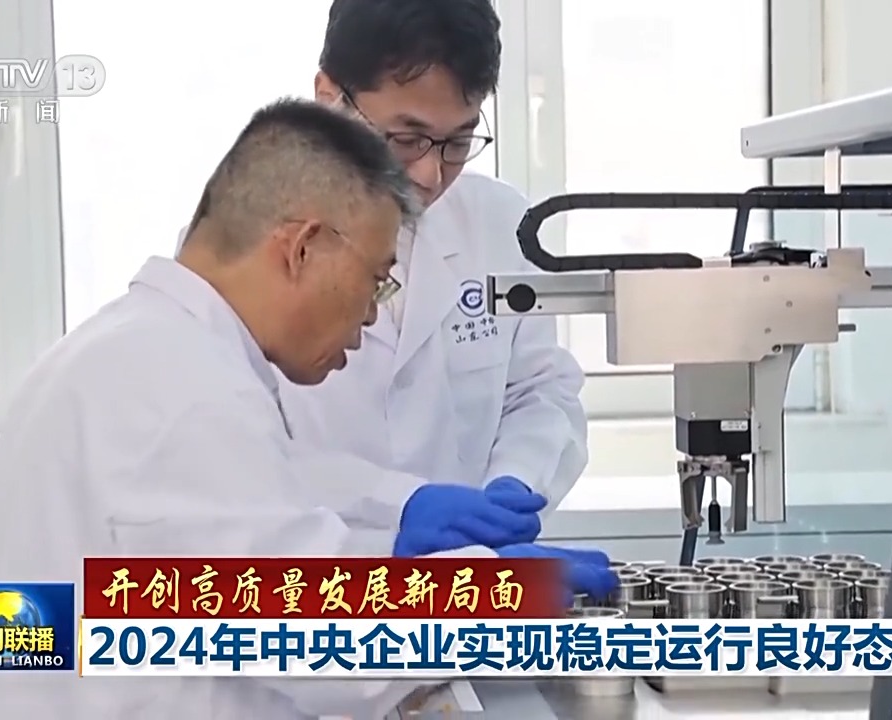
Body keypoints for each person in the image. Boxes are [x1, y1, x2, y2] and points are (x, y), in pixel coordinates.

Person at [0, 99, 615, 720]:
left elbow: (249, 568)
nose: (372, 314)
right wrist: (492, 589)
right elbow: (319, 645)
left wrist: (401, 554)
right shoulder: (187, 390)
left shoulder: (134, 348)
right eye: (377, 279)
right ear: (302, 247)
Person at [175, 0, 588, 530]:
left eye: (459, 141)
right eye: (406, 139)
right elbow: (234, 447)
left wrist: (516, 482)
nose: (430, 174)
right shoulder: (242, 248)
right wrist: (400, 504)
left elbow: (540, 391)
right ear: (329, 100)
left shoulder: (499, 224)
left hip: (468, 565)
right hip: (316, 565)